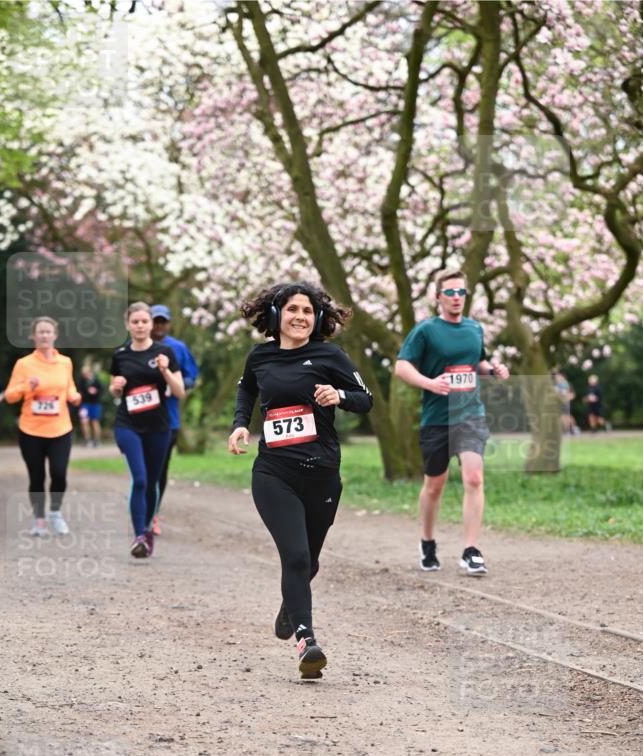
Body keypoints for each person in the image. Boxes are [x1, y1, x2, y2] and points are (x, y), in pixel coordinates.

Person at [228, 281, 373, 679]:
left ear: (318, 318)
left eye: (308, 311)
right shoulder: (259, 357)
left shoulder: (331, 355)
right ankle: (307, 641)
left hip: (323, 475)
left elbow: (365, 399)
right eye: (292, 310)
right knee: (294, 556)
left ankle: (290, 608)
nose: (300, 317)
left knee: (307, 561)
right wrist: (241, 426)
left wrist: (338, 396)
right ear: (277, 316)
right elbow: (247, 394)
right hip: (274, 473)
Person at [394, 267, 509, 576]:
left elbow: (477, 363)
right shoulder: (426, 330)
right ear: (438, 297)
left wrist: (492, 370)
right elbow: (402, 367)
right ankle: (428, 542)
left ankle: (471, 551)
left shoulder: (474, 329)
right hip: (436, 419)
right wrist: (430, 383)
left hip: (470, 414)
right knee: (435, 485)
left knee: (474, 478)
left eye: (462, 292)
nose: (457, 298)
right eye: (451, 292)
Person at [109, 302, 184, 558]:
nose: (140, 326)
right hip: (127, 424)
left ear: (151, 324)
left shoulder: (165, 352)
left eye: (144, 321)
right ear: (127, 325)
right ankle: (139, 534)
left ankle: (147, 531)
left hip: (158, 426)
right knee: (139, 479)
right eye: (135, 321)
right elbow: (114, 387)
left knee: (152, 481)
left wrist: (164, 370)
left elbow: (179, 391)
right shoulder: (120, 355)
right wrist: (116, 386)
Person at [4, 317, 81, 536]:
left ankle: (55, 514)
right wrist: (27, 386)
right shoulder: (24, 364)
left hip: (60, 428)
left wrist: (74, 396)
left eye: (48, 332)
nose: (45, 335)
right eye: (41, 332)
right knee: (36, 477)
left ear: (55, 335)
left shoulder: (65, 362)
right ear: (33, 336)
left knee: (59, 473)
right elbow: (10, 396)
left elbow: (69, 387)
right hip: (31, 430)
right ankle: (39, 520)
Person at [149, 304, 199, 534]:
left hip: (168, 419)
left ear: (168, 323)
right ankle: (142, 511)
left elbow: (191, 376)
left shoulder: (177, 347)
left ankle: (153, 514)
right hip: (140, 419)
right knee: (141, 471)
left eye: (162, 321)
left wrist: (176, 384)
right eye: (155, 321)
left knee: (160, 470)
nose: (158, 326)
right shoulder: (135, 348)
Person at [77, 364, 103, 446]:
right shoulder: (81, 381)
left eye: (86, 373)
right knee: (84, 421)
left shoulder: (96, 381)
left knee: (95, 422)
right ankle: (87, 439)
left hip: (95, 404)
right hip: (84, 404)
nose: (85, 375)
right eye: (83, 374)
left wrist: (95, 392)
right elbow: (79, 392)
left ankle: (96, 440)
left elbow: (101, 391)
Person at [552, 370, 577, 436]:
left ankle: (573, 428)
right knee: (562, 416)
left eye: (558, 377)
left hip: (566, 402)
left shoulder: (567, 384)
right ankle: (566, 429)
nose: (556, 378)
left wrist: (567, 398)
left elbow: (572, 394)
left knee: (567, 416)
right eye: (556, 377)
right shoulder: (557, 385)